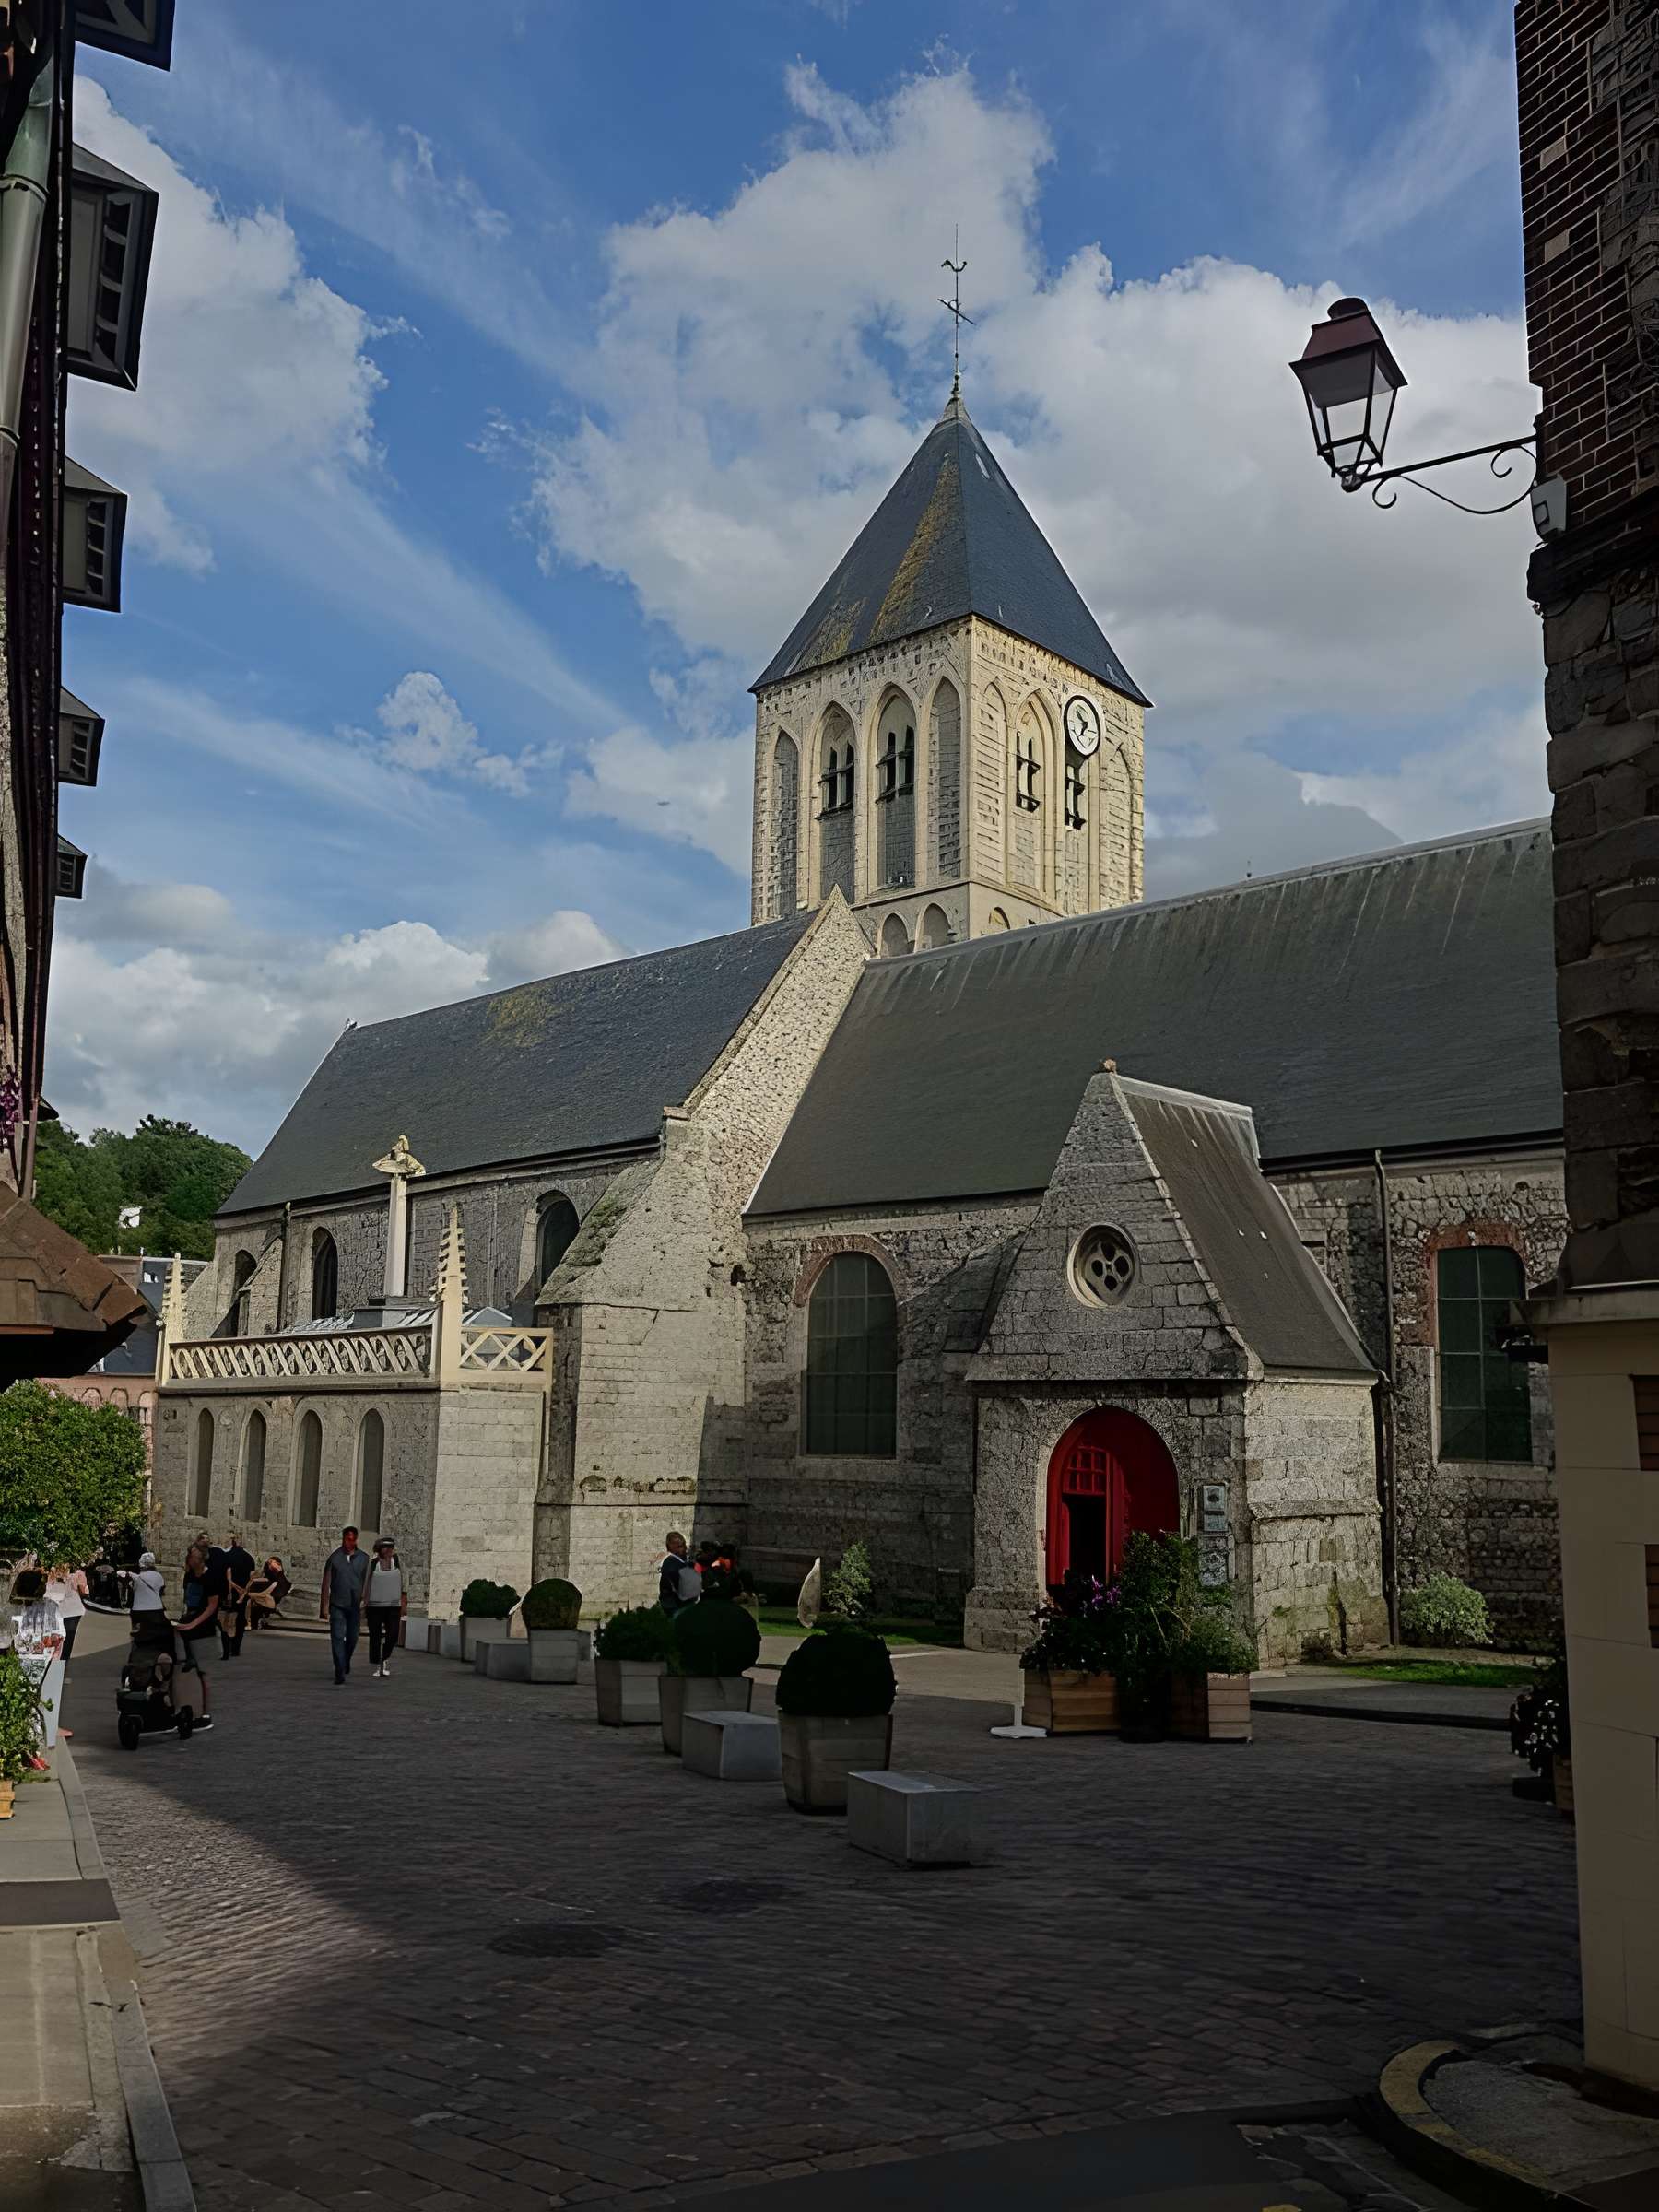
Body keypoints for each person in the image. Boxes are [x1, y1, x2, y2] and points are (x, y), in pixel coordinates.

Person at [8, 1568, 63, 1765]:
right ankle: (28, 1751)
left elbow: (57, 1637)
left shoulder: (43, 1608)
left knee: (29, 1706)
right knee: (29, 1706)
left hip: (32, 1662)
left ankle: (29, 1750)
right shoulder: (45, 1607)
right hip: (35, 1662)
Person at [174, 1543, 220, 1731]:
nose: (189, 1558)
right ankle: (184, 1711)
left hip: (204, 1631)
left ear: (201, 1559)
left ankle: (204, 1713)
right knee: (184, 1669)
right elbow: (188, 1600)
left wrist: (194, 1623)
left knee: (204, 1673)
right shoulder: (190, 1575)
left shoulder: (211, 1577)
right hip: (188, 1625)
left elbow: (212, 1605)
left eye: (192, 1555)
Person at [320, 1526, 369, 1684]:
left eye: (353, 1538)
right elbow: (326, 1583)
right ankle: (339, 1668)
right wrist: (324, 1607)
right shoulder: (335, 1558)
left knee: (353, 1637)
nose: (350, 1541)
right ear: (343, 1539)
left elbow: (367, 1582)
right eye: (347, 1538)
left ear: (356, 1540)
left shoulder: (363, 1559)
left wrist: (366, 1600)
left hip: (355, 1605)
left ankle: (345, 1659)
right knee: (337, 1637)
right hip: (337, 1604)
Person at [363, 1537, 406, 1678]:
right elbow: (366, 1584)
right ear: (379, 1549)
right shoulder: (373, 1563)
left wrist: (404, 1604)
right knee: (375, 1636)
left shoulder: (398, 1563)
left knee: (393, 1634)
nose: (388, 1550)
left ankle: (385, 1658)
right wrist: (365, 1602)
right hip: (375, 1606)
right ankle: (377, 1664)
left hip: (393, 1606)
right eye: (385, 1547)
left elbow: (404, 1584)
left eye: (390, 1547)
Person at [219, 1529, 256, 1658]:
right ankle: (236, 1647)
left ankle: (228, 1645)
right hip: (242, 1594)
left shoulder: (227, 1556)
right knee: (240, 1621)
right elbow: (252, 1579)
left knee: (227, 1620)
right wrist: (244, 1593)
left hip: (230, 1593)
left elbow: (227, 1576)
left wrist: (230, 1590)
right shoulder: (249, 1558)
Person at [658, 1530, 698, 1614]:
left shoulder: (676, 1562)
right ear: (674, 1549)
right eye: (681, 1546)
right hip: (675, 1606)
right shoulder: (672, 1565)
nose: (685, 1548)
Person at [130, 1551, 167, 1622]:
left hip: (139, 1611)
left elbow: (134, 1592)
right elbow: (162, 1593)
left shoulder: (138, 1578)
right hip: (156, 1610)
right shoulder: (159, 1576)